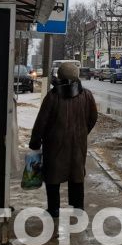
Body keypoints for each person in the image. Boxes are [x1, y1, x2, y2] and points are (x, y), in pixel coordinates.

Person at [30, 62, 98, 218]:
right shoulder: (86, 95)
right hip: (78, 142)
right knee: (77, 174)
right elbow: (93, 117)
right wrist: (83, 132)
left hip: (54, 143)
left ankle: (54, 209)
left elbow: (42, 121)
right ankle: (78, 206)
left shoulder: (53, 96)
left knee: (53, 175)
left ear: (59, 76)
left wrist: (35, 141)